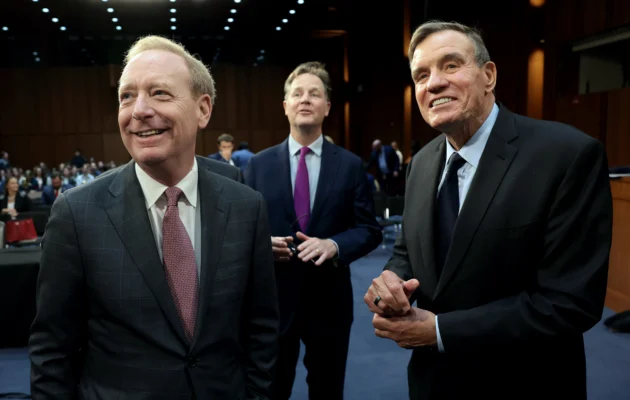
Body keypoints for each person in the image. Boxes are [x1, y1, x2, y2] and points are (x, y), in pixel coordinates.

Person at [364, 21, 612, 399]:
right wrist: (392, 280)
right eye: (421, 75)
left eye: (450, 65)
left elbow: (569, 303)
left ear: (489, 75)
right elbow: (408, 252)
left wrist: (440, 331)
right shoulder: (422, 163)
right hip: (432, 383)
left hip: (524, 383)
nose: (433, 83)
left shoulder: (565, 156)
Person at [29, 35, 279, 400]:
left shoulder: (246, 206)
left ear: (203, 109)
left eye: (160, 93)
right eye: (126, 96)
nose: (138, 110)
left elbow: (262, 332)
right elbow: (52, 350)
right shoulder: (76, 213)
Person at [244, 61, 382, 400]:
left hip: (330, 302)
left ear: (327, 107)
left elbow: (369, 229)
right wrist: (262, 243)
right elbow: (241, 230)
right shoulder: (257, 166)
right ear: (286, 106)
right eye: (297, 93)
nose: (305, 99)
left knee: (327, 389)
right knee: (270, 390)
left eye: (314, 94)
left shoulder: (350, 165)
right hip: (274, 304)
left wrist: (335, 244)